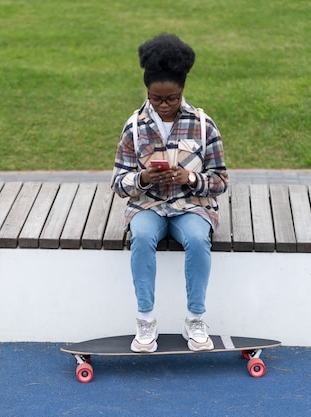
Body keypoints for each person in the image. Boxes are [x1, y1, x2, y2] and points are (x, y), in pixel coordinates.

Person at [111, 34, 229, 353]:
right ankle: (146, 321)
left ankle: (195, 319)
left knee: (197, 239)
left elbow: (220, 180)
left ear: (182, 91)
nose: (164, 105)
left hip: (191, 206)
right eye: (156, 99)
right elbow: (119, 182)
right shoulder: (134, 127)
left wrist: (190, 177)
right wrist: (144, 178)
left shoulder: (203, 125)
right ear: (147, 93)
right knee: (142, 238)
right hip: (147, 206)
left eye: (172, 99)